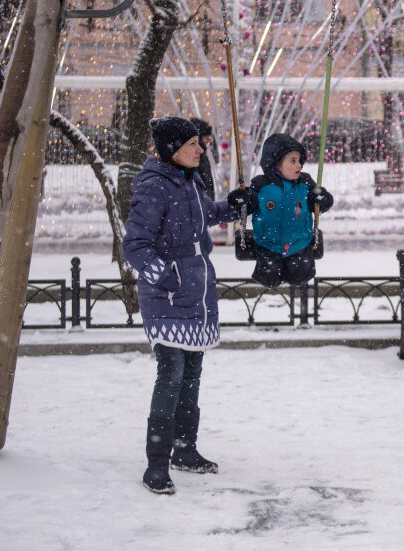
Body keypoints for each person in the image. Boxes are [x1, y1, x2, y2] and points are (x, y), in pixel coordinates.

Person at [124, 116, 252, 494]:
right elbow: (135, 246)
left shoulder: (189, 180)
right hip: (168, 295)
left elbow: (204, 216)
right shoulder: (153, 187)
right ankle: (157, 464)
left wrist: (233, 206)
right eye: (192, 144)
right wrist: (168, 277)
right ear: (171, 150)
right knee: (172, 373)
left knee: (192, 372)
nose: (200, 149)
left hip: (197, 291)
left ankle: (185, 450)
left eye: (199, 143)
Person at [248, 133, 333, 288]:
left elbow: (323, 203)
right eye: (292, 161)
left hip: (299, 245)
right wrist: (239, 200)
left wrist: (322, 199)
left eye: (299, 161)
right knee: (269, 280)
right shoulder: (260, 185)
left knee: (301, 278)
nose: (299, 165)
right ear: (274, 163)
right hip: (268, 245)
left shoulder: (305, 182)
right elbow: (245, 204)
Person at [190, 117, 216, 255]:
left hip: (201, 205)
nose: (208, 140)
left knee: (205, 246)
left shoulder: (201, 154)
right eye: (207, 137)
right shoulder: (196, 157)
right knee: (206, 246)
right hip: (198, 206)